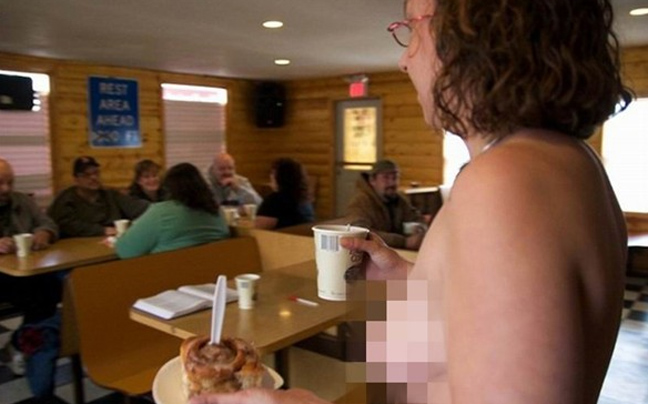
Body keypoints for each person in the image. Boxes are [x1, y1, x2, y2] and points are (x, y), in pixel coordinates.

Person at [190, 0, 632, 403]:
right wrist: (409, 279)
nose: (404, 60)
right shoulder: (570, 161)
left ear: (475, 33)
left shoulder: (504, 181)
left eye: (412, 29)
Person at [0, 158, 61, 395]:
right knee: (43, 298)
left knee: (54, 285)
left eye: (10, 182)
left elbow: (48, 223)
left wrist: (44, 233)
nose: (6, 189)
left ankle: (23, 342)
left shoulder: (22, 201)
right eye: (0, 183)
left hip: (25, 273)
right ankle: (26, 345)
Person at [115, 163, 229, 258]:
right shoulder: (216, 210)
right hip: (214, 272)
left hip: (169, 274)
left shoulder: (160, 212)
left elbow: (125, 251)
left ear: (170, 187)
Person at [48, 156, 149, 238]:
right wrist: (101, 230)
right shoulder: (65, 199)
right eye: (86, 175)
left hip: (110, 243)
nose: (93, 178)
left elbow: (135, 206)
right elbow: (66, 225)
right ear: (76, 179)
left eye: (96, 173)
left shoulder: (110, 194)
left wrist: (154, 209)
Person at [345, 159, 426, 250]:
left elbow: (415, 218)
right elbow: (361, 233)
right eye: (386, 178)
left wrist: (419, 229)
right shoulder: (361, 202)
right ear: (372, 180)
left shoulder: (399, 200)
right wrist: (403, 242)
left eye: (395, 178)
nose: (392, 183)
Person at [255, 157, 315, 230]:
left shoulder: (275, 200)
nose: (270, 176)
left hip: (282, 236)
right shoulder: (305, 200)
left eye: (273, 173)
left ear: (280, 177)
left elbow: (259, 227)